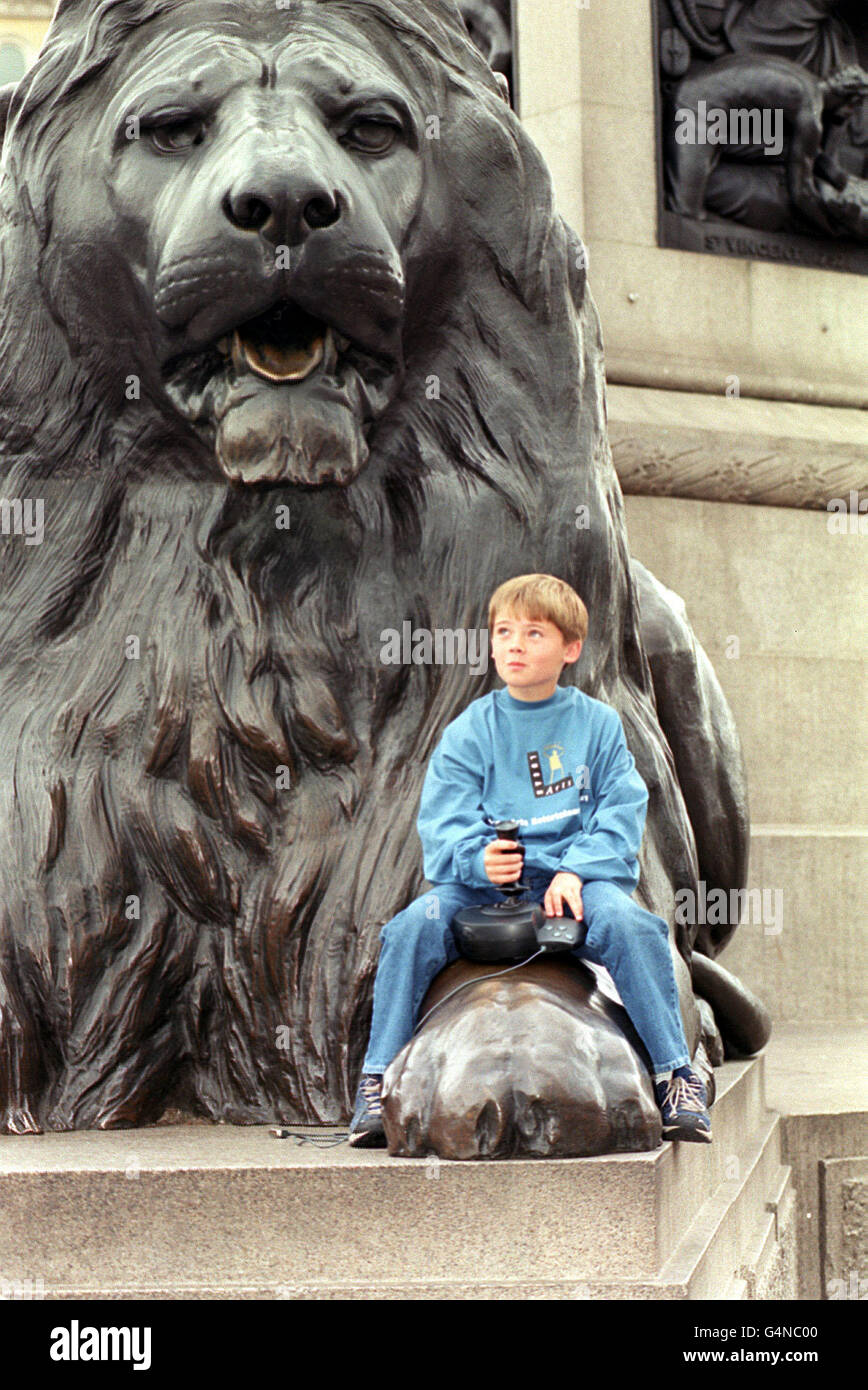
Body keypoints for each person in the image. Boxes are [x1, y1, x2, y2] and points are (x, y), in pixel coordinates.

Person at [348, 574, 712, 1148]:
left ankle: (675, 1076)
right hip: (487, 886)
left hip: (572, 881)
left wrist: (578, 869)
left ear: (570, 649)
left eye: (534, 633)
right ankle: (376, 1083)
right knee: (409, 929)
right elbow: (442, 822)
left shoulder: (597, 726)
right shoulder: (470, 731)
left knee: (633, 926)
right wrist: (478, 860)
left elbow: (621, 811)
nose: (514, 645)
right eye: (504, 632)